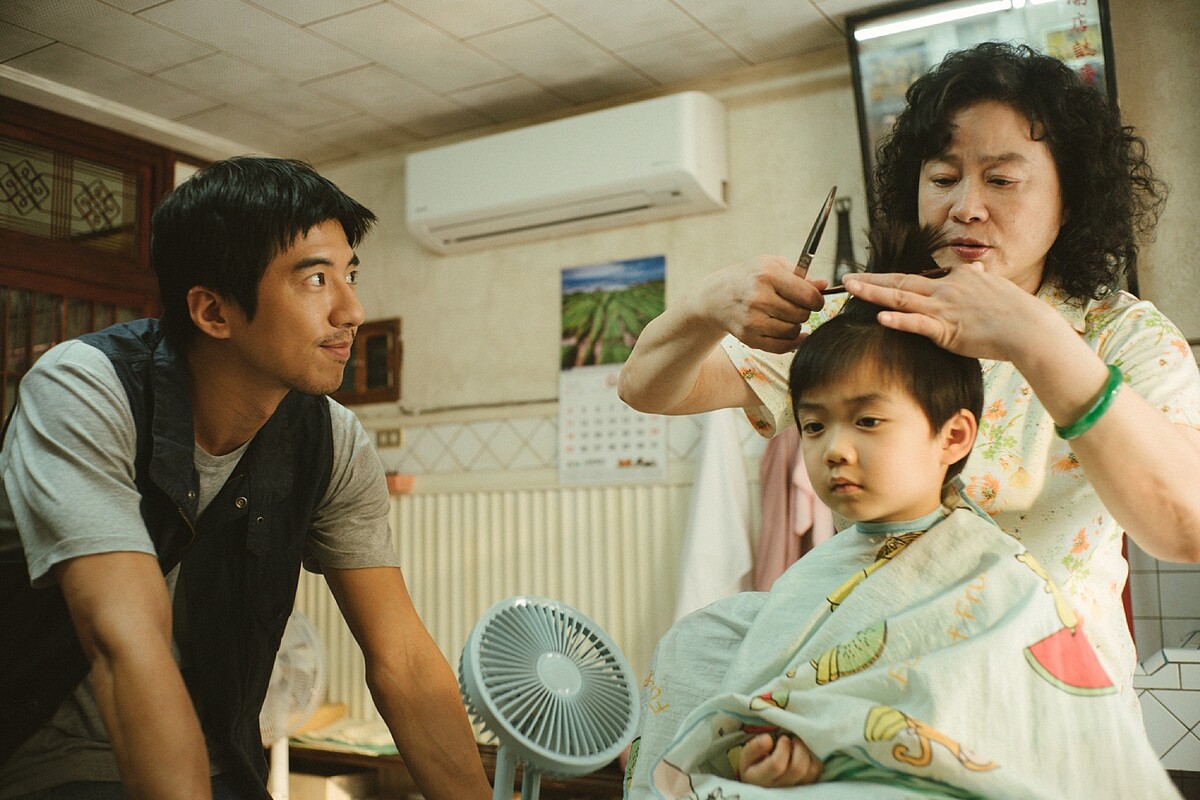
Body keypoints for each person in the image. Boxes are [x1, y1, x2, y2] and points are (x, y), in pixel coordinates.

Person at [618, 42, 1200, 703]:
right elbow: (650, 388)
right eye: (945, 179)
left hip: (1048, 699)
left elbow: (1187, 527)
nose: (965, 207)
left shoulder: (1122, 335)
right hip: (882, 693)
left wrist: (1035, 339)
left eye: (1002, 180)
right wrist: (701, 309)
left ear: (1071, 199)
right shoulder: (869, 315)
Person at [623, 226, 1181, 798]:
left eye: (867, 421)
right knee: (694, 642)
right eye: (813, 426)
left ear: (955, 435)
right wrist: (777, 748)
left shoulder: (1008, 592)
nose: (834, 448)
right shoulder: (853, 335)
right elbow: (645, 386)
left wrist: (834, 753)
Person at [0, 157, 491, 800]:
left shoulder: (331, 440)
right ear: (213, 312)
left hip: (222, 761)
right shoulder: (87, 388)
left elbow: (403, 661)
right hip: (47, 763)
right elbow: (129, 649)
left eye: (349, 273)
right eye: (316, 279)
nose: (352, 309)